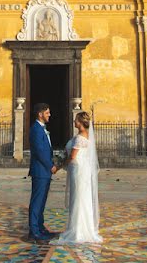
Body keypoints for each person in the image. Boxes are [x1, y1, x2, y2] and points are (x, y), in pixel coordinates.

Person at [51, 111, 103, 245]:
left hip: (78, 172)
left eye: (76, 120)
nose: (74, 122)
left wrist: (59, 166)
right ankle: (84, 229)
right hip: (81, 171)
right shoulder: (85, 136)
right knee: (82, 198)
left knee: (78, 199)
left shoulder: (80, 138)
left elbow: (72, 157)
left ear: (80, 122)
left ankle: (78, 231)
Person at [27, 102, 59, 243]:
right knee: (36, 202)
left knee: (41, 202)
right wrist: (50, 165)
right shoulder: (35, 129)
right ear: (40, 114)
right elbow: (40, 151)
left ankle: (40, 228)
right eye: (47, 112)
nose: (49, 115)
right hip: (40, 170)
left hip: (44, 172)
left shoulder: (41, 129)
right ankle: (34, 232)